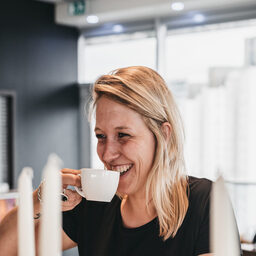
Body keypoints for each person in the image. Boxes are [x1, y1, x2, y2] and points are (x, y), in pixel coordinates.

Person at [0, 66, 212, 256]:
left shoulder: (203, 202)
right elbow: (5, 248)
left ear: (163, 136)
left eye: (123, 135)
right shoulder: (94, 206)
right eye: (101, 136)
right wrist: (39, 198)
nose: (107, 154)